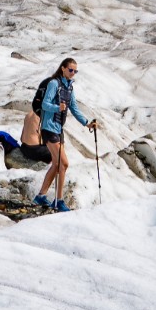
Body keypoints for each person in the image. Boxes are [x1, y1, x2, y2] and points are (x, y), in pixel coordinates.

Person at [34, 56, 97, 212]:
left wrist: (86, 123)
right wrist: (58, 108)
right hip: (49, 128)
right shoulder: (54, 83)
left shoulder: (69, 87)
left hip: (58, 129)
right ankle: (59, 200)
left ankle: (40, 196)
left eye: (75, 71)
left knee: (57, 164)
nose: (73, 73)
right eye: (70, 70)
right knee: (64, 163)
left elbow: (74, 108)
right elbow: (45, 104)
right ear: (63, 68)